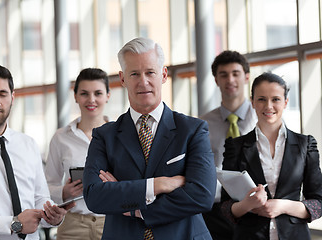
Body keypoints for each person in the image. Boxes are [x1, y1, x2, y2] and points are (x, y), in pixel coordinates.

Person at [82, 37, 216, 240]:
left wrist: (137, 209)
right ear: (123, 78)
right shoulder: (104, 136)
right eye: (134, 73)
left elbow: (202, 196)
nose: (143, 82)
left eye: (150, 72)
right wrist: (158, 185)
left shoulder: (192, 130)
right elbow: (95, 196)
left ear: (163, 74)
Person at [0, 64, 74, 240]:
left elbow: (40, 198)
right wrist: (14, 224)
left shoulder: (28, 144)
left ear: (12, 97)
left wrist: (53, 216)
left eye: (2, 94)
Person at [221, 72, 322, 240]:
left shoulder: (306, 144)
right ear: (252, 102)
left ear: (285, 102)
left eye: (275, 99)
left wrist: (283, 206)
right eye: (261, 99)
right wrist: (247, 205)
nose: (268, 106)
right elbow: (225, 207)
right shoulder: (235, 146)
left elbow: (318, 204)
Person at [45, 68, 110, 239]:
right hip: (73, 225)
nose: (91, 100)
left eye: (98, 93)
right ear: (75, 97)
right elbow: (46, 186)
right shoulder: (60, 137)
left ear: (108, 96)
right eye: (84, 93)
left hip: (112, 222)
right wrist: (64, 192)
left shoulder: (121, 135)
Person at [201, 50, 257, 240]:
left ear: (246, 77)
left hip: (255, 205)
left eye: (235, 73)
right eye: (223, 75)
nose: (230, 80)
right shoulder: (204, 124)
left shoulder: (262, 118)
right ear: (216, 80)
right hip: (215, 211)